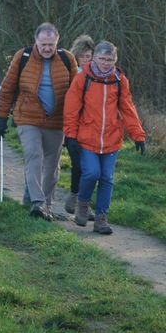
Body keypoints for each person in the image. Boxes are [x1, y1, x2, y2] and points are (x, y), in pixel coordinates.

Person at [0, 22, 77, 220]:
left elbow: (77, 93)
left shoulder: (67, 59)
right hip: (28, 117)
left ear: (57, 42)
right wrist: (1, 116)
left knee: (51, 164)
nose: (47, 48)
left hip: (56, 121)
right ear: (36, 42)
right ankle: (37, 203)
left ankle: (46, 204)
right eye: (43, 44)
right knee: (33, 155)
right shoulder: (22, 57)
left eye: (51, 44)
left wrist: (77, 124)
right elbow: (7, 88)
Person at [64, 40, 145, 235]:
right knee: (91, 173)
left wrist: (138, 135)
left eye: (110, 59)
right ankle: (82, 203)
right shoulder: (83, 78)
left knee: (107, 178)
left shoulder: (119, 79)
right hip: (87, 138)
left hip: (111, 138)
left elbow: (127, 107)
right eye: (102, 58)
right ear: (95, 58)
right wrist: (70, 136)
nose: (106, 63)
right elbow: (71, 108)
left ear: (115, 60)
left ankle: (101, 218)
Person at [64, 35, 95, 214]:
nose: (86, 60)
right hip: (73, 128)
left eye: (89, 56)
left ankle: (84, 204)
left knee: (91, 170)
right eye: (83, 56)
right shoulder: (71, 73)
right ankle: (75, 195)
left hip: (92, 128)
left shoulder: (98, 76)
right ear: (77, 56)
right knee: (78, 165)